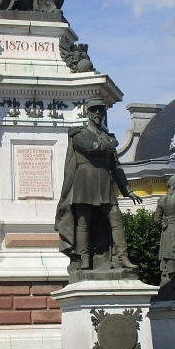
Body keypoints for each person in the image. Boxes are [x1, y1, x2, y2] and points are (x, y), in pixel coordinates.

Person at [55, 99, 141, 272]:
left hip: (104, 183)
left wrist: (128, 190)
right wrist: (111, 144)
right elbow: (92, 148)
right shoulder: (78, 134)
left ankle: (123, 258)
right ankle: (84, 259)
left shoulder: (108, 137)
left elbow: (116, 167)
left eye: (100, 111)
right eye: (94, 110)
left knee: (116, 218)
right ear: (87, 112)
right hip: (84, 182)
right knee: (83, 222)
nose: (98, 114)